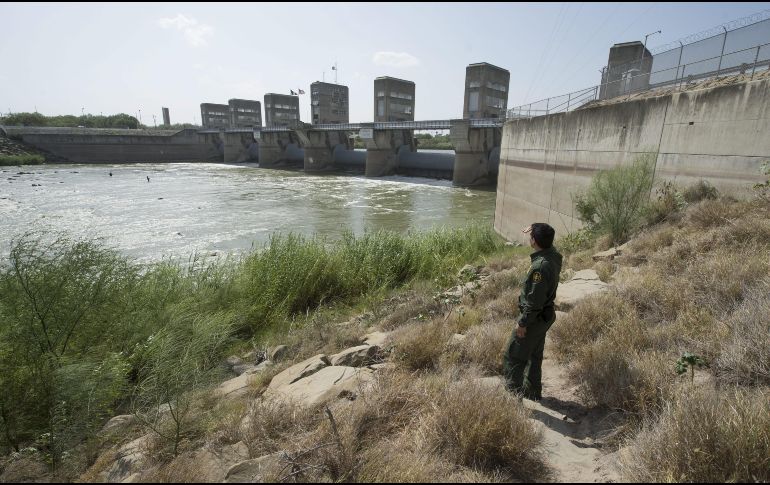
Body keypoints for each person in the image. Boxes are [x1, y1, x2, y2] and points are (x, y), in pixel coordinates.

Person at [503, 223, 562, 401]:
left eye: (532, 236)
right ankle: (532, 392)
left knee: (513, 356)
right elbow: (548, 241)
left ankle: (513, 399)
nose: (529, 238)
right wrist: (537, 227)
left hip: (534, 318)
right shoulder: (554, 256)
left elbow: (534, 301)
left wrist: (523, 323)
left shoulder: (540, 267)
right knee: (534, 356)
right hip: (545, 316)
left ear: (534, 241)